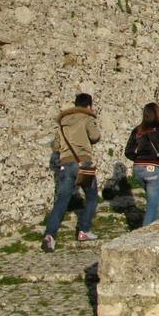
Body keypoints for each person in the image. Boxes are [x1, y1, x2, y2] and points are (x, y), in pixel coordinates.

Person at [42, 93, 100, 252]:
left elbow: (56, 146)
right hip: (83, 163)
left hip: (65, 165)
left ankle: (50, 235)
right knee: (92, 196)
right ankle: (84, 230)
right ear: (88, 106)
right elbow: (95, 136)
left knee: (61, 201)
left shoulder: (62, 122)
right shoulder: (87, 118)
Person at [124, 102, 159, 226]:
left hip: (138, 169)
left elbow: (128, 151)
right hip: (154, 169)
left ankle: (152, 228)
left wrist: (138, 159)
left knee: (154, 199)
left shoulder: (137, 130)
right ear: (158, 113)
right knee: (153, 204)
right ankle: (146, 233)